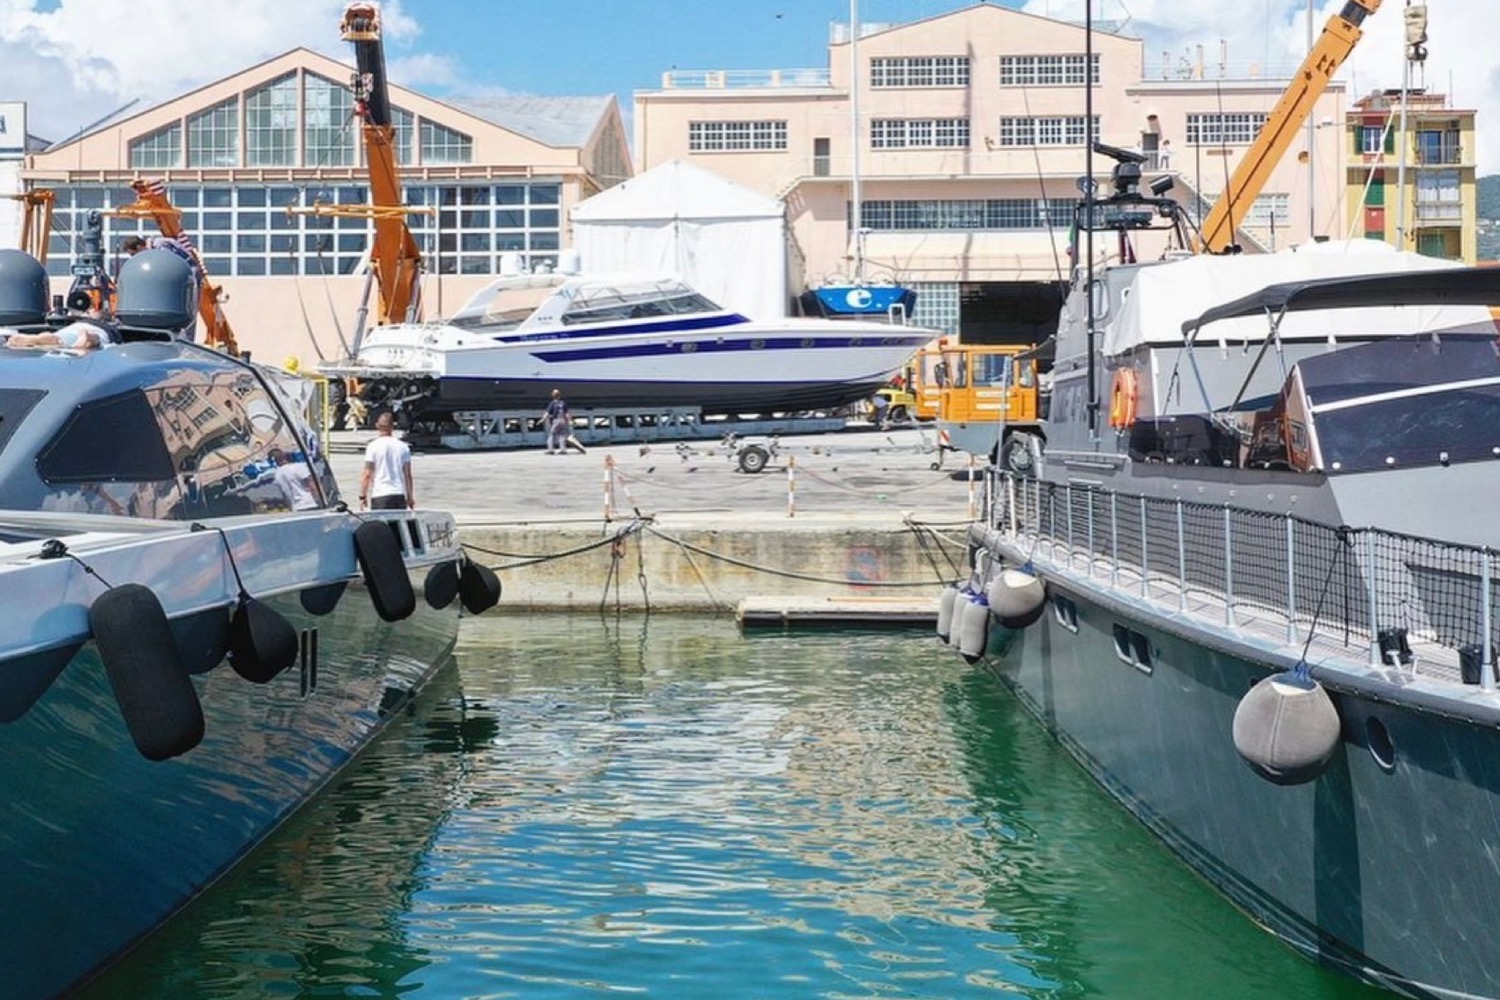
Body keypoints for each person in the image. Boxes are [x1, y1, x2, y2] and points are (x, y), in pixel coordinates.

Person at [360, 411, 414, 510]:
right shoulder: (403, 447)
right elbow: (408, 475)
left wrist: (362, 496)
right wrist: (410, 497)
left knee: (382, 525)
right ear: (393, 427)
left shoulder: (373, 446)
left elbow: (367, 474)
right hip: (398, 494)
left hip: (380, 495)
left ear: (377, 425)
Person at [268, 447, 320, 512]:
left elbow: (285, 495)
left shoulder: (277, 475)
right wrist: (320, 501)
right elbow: (312, 486)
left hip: (296, 508)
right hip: (311, 504)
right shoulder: (300, 467)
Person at [2, 321, 107, 350]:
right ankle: (90, 339)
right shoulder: (107, 325)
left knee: (60, 336)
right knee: (98, 338)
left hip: (73, 328)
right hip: (100, 330)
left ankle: (46, 338)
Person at [544, 389, 571, 455]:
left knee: (552, 434)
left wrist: (543, 419)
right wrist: (570, 421)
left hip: (556, 420)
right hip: (563, 420)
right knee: (562, 435)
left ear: (553, 395)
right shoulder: (562, 403)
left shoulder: (552, 403)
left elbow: (547, 413)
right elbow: (566, 414)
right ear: (559, 396)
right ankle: (563, 450)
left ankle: (551, 450)